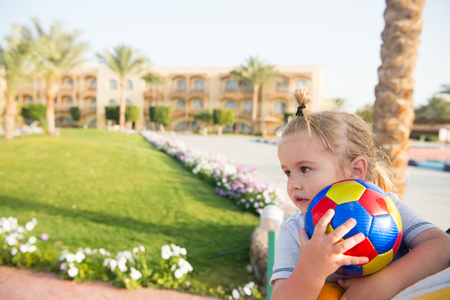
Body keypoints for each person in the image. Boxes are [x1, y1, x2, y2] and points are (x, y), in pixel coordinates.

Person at [271, 88, 450, 300]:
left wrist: (384, 284)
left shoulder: (386, 207)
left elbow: (441, 246)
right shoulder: (295, 231)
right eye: (288, 172)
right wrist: (311, 270)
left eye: (305, 169)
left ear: (356, 171)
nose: (293, 184)